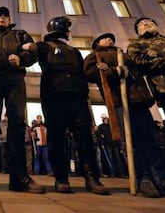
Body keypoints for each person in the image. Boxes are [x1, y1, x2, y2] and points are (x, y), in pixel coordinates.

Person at [84, 32, 165, 197]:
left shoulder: (124, 55)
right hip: (119, 101)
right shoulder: (95, 56)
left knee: (150, 140)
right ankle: (143, 179)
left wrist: (127, 71)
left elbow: (138, 71)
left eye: (111, 38)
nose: (109, 39)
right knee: (132, 141)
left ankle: (161, 179)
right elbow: (91, 74)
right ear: (97, 42)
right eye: (105, 38)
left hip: (139, 100)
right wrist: (114, 72)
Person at [0, 6, 45, 194]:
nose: (2, 18)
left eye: (5, 16)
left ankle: (19, 177)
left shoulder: (20, 34)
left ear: (9, 19)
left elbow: (33, 52)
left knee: (18, 123)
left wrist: (21, 58)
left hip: (14, 79)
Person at [34, 16, 110, 195]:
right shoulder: (44, 47)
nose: (68, 32)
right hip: (55, 96)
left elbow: (84, 72)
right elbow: (30, 55)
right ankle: (61, 178)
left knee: (84, 138)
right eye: (66, 29)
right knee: (57, 138)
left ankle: (92, 178)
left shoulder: (75, 51)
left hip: (78, 97)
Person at [127, 18, 165, 157]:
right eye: (141, 23)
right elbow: (139, 63)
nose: (146, 22)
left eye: (150, 21)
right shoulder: (138, 44)